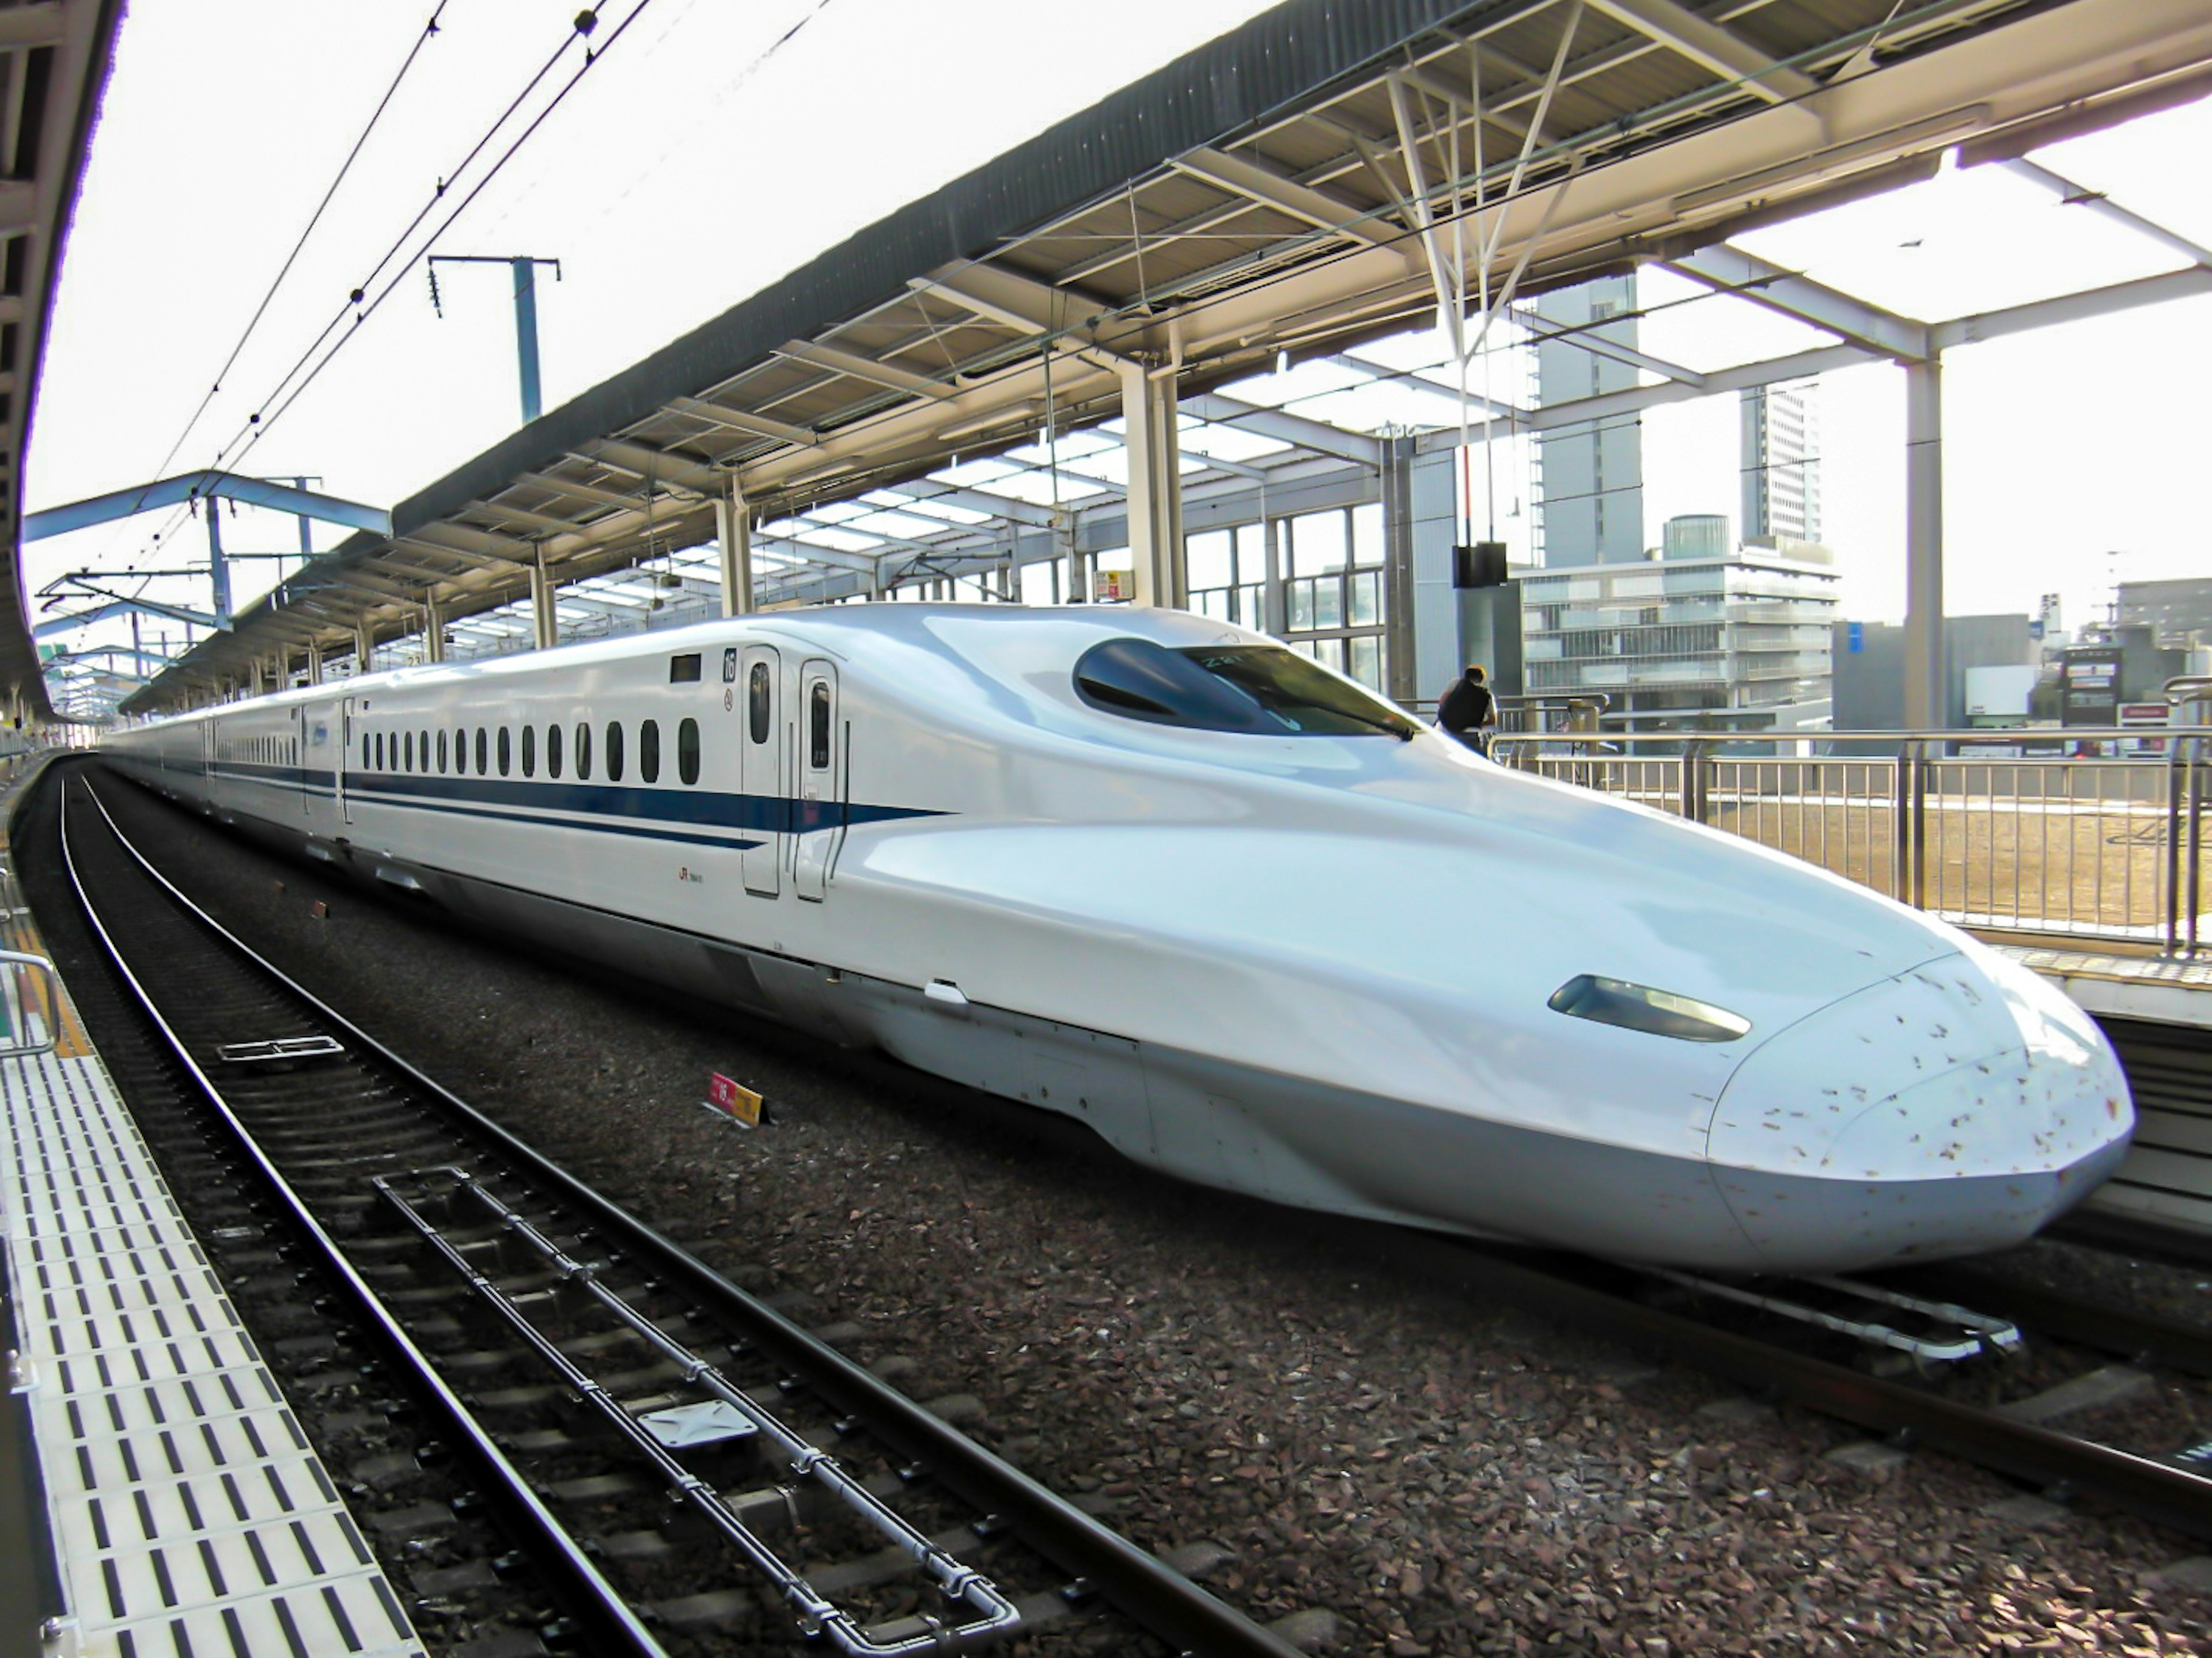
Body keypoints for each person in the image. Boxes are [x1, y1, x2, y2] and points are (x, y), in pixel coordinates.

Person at [1437, 663, 1496, 756]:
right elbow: (1493, 720)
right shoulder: (1487, 695)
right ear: (1482, 679)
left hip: (1450, 730)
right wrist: (1478, 724)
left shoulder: (1456, 684)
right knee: (1472, 761)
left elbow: (1442, 702)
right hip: (1472, 734)